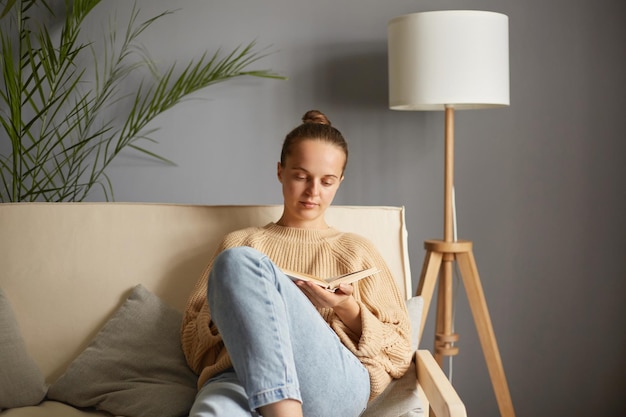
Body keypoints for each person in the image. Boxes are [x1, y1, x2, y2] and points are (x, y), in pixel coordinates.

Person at [181, 110, 412, 417]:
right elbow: (194, 346)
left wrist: (347, 309)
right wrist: (252, 315)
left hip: (329, 385)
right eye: (301, 176)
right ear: (280, 171)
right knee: (236, 261)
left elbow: (399, 353)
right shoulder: (243, 242)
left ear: (340, 181)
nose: (313, 192)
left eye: (327, 181)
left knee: (239, 262)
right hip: (239, 381)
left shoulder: (357, 250)